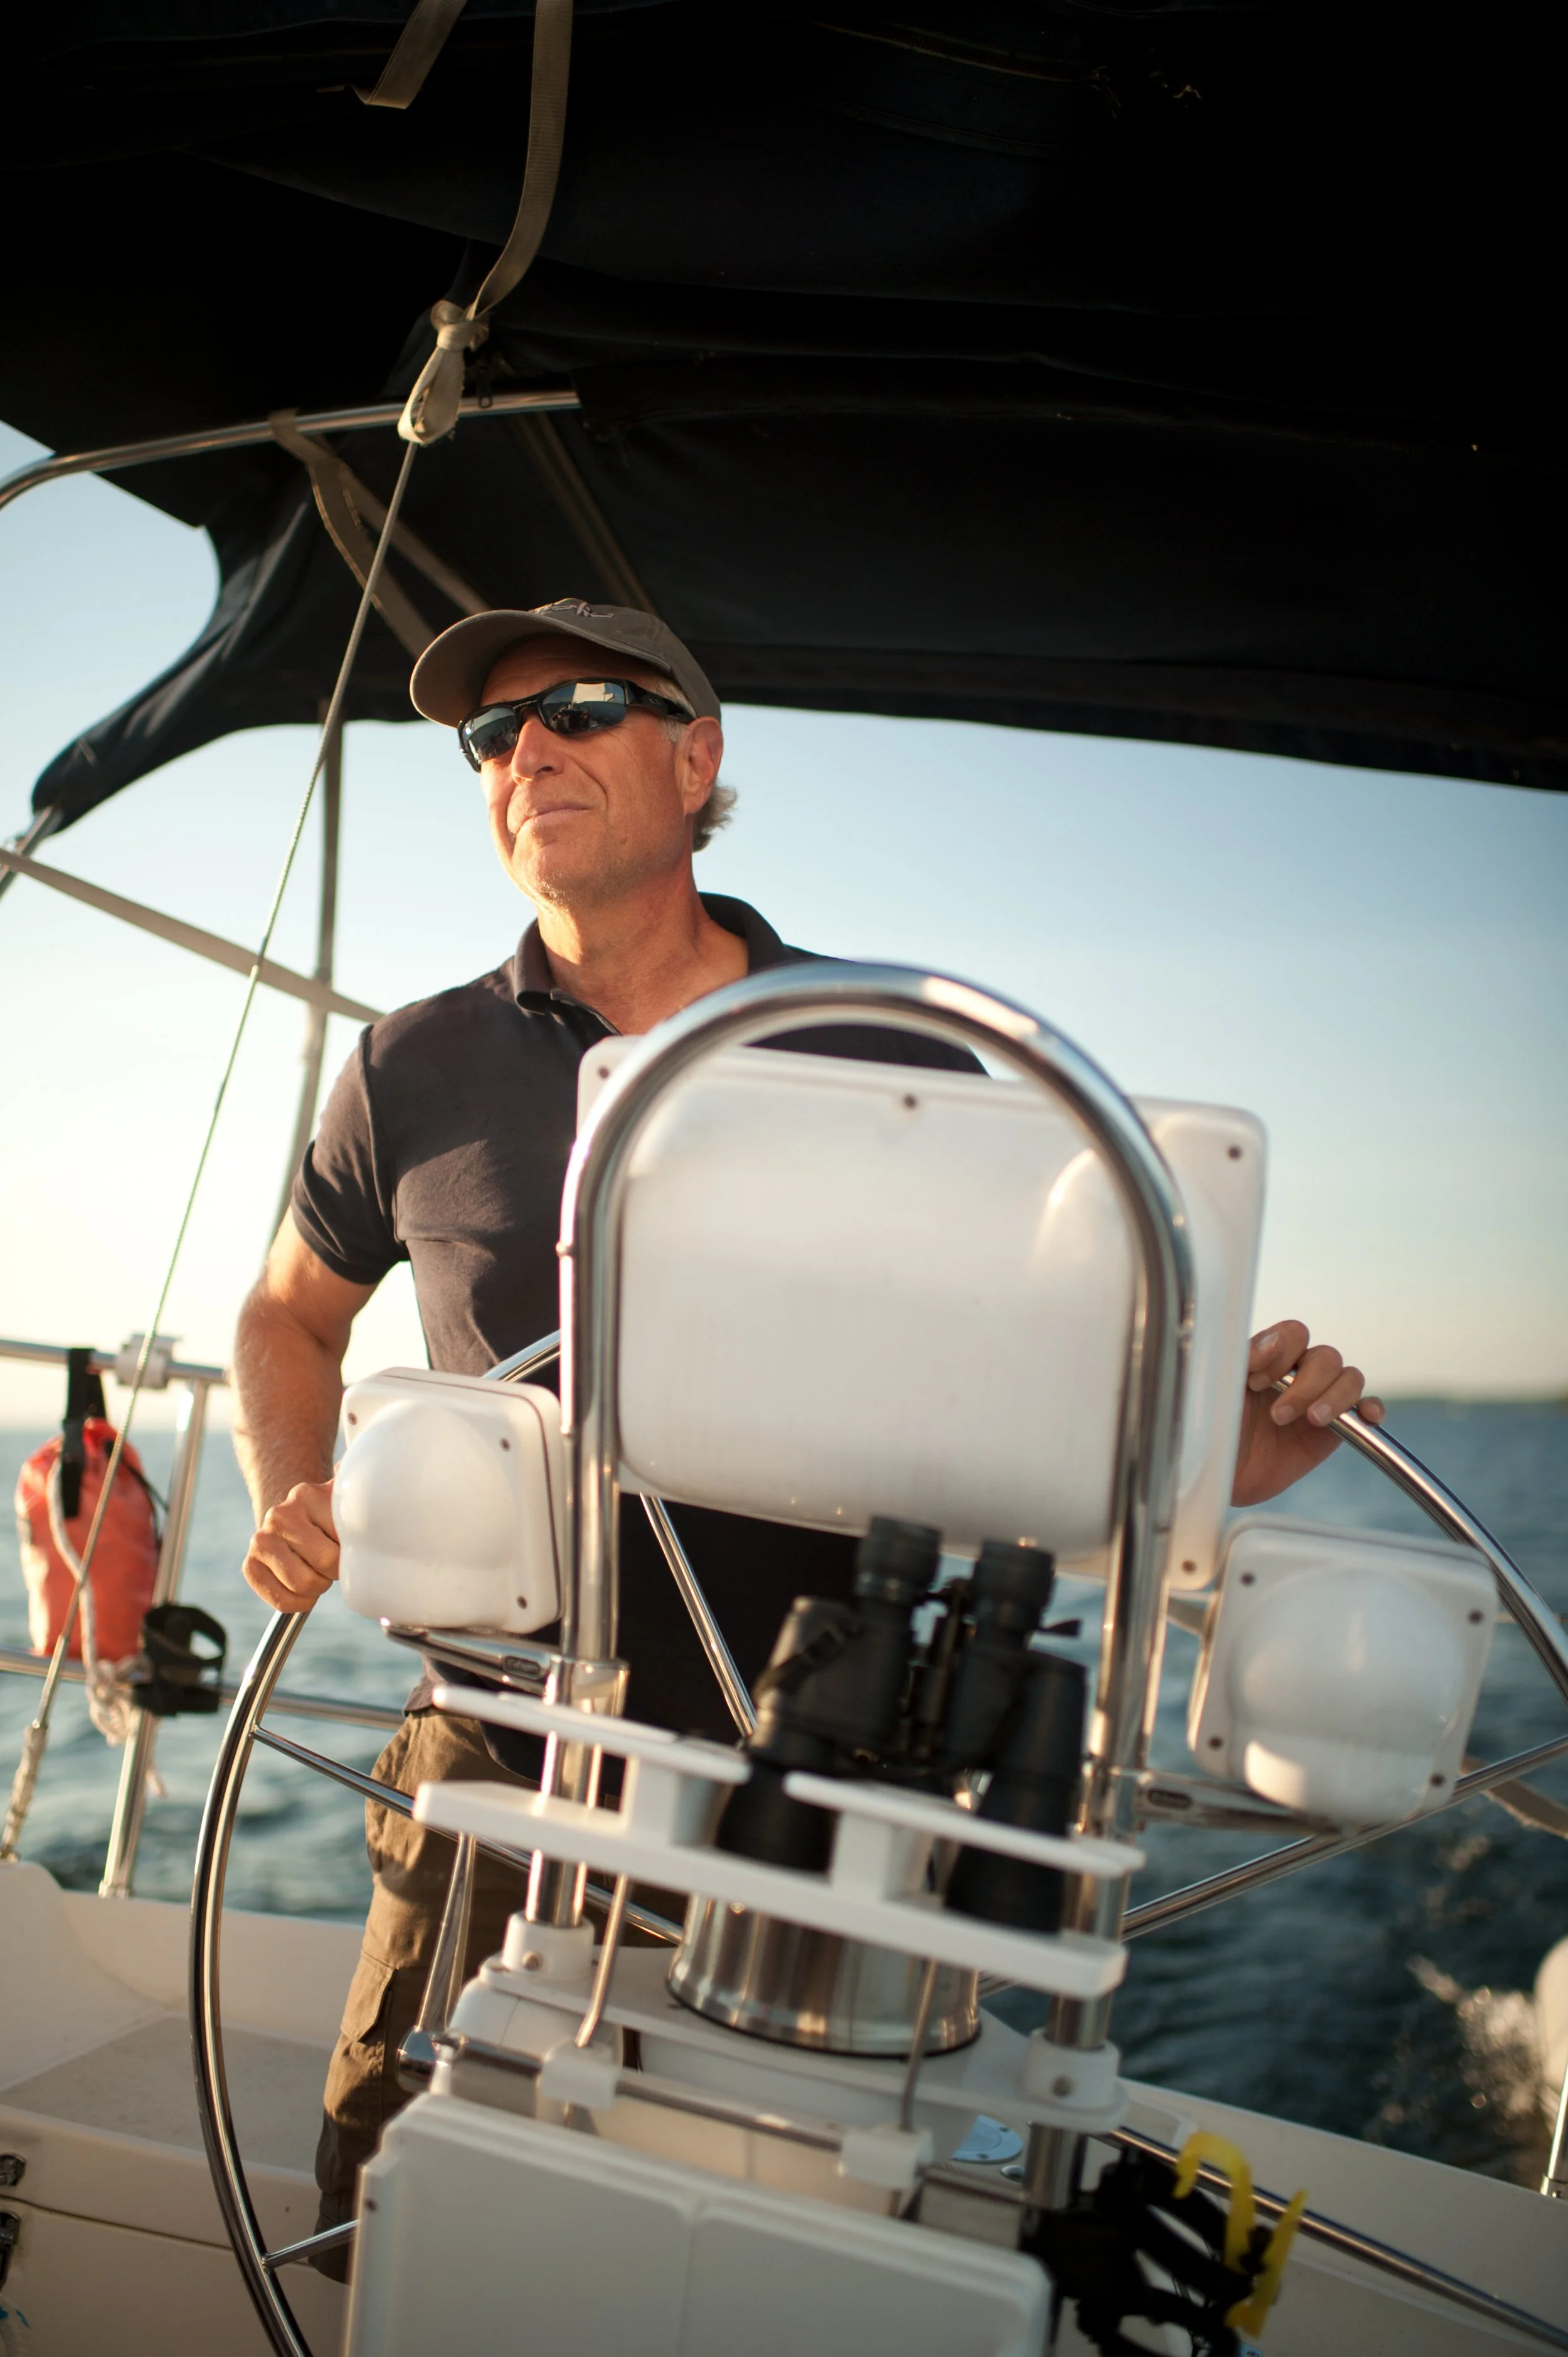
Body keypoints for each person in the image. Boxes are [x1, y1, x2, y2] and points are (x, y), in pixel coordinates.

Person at [232, 596, 1384, 2269]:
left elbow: (1020, 1389)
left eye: (577, 706)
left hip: (819, 1777)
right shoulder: (411, 1061)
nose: (526, 748)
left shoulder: (890, 1048)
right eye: (492, 733)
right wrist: (294, 1487)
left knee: (765, 2256)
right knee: (401, 2222)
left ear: (696, 757)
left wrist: (1207, 1467)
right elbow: (286, 1315)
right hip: (491, 1750)